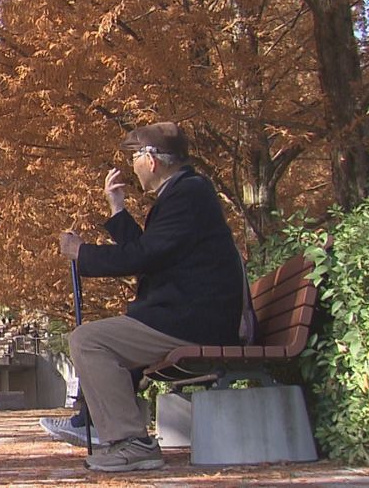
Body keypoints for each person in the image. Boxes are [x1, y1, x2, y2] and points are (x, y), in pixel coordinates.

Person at [56, 122, 244, 472]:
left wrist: (83, 253)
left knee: (89, 340)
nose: (133, 166)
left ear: (152, 160)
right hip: (189, 314)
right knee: (97, 338)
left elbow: (144, 255)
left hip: (192, 320)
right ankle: (101, 426)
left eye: (136, 157)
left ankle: (131, 442)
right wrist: (117, 209)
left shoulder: (187, 194)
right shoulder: (187, 192)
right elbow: (152, 254)